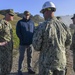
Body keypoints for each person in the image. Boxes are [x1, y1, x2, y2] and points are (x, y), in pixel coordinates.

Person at [32, 1, 72, 75]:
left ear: (46, 11)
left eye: (43, 12)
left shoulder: (42, 26)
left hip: (46, 65)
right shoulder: (64, 26)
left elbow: (36, 46)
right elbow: (68, 42)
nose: (43, 15)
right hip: (61, 62)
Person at [16, 10, 35, 75]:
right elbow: (18, 32)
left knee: (30, 57)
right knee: (21, 57)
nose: (27, 16)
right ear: (23, 15)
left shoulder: (32, 22)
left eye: (28, 15)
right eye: (26, 15)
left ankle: (29, 68)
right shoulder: (20, 22)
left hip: (30, 43)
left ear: (29, 15)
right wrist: (22, 39)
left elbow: (34, 31)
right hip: (22, 43)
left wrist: (33, 40)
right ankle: (19, 70)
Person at [0, 9, 14, 75]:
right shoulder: (1, 23)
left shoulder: (9, 24)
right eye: (11, 15)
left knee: (8, 67)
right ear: (6, 14)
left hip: (9, 50)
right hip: (3, 51)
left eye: (13, 15)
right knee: (4, 68)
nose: (12, 16)